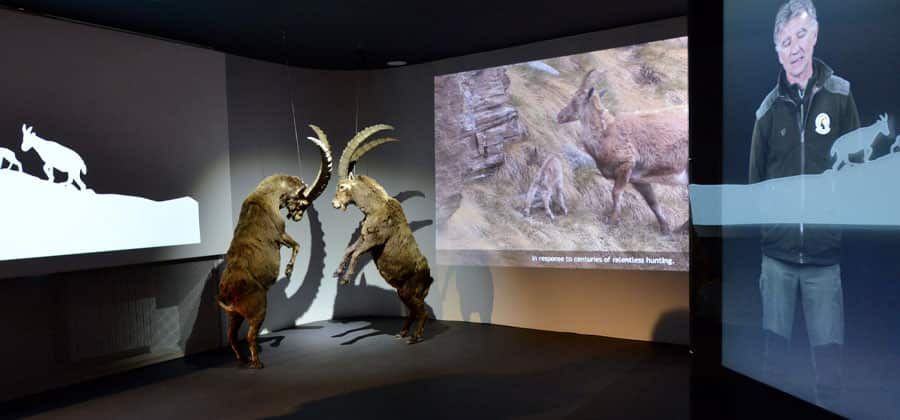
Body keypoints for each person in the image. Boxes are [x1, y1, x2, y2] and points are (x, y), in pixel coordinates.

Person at [748, 0, 859, 410]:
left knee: (829, 373)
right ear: (776, 50)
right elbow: (754, 184)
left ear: (815, 35)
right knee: (771, 366)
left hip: (823, 262)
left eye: (800, 35)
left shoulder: (842, 97)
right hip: (775, 261)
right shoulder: (765, 112)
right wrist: (772, 230)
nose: (793, 47)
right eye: (784, 41)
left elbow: (857, 170)